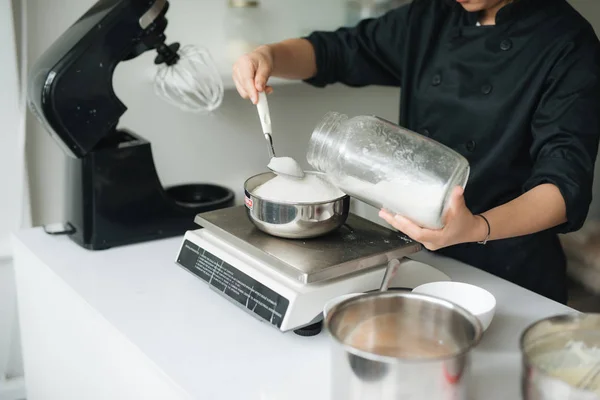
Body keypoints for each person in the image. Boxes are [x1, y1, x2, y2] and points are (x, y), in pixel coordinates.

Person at [232, 0, 600, 304]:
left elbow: (564, 186)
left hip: (510, 270)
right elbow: (337, 51)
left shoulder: (567, 42)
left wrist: (477, 227)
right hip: (419, 257)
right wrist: (269, 56)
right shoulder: (432, 16)